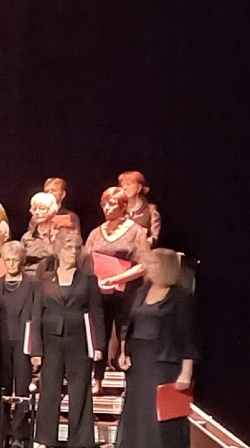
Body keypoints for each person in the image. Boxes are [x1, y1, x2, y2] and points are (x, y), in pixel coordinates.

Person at [29, 229, 105, 448]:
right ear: (58, 251)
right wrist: (36, 349)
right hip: (51, 341)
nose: (73, 252)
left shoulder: (88, 280)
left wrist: (99, 345)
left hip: (79, 341)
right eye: (68, 248)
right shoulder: (44, 280)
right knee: (49, 391)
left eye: (76, 248)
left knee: (80, 391)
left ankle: (80, 442)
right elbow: (36, 314)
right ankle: (45, 439)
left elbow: (97, 312)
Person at [117, 248, 196, 448]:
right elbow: (129, 323)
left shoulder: (181, 296)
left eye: (153, 263)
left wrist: (186, 373)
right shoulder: (141, 292)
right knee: (137, 411)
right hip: (139, 362)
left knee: (158, 415)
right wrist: (124, 351)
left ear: (166, 268)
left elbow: (187, 335)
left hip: (163, 363)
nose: (148, 267)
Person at [88, 186, 152, 373]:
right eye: (104, 204)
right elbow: (86, 260)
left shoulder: (136, 232)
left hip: (127, 292)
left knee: (125, 333)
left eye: (112, 204)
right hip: (101, 291)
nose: (107, 208)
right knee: (100, 333)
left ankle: (128, 375)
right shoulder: (96, 232)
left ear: (123, 206)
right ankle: (97, 378)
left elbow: (144, 265)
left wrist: (116, 278)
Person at [0, 241, 37, 447]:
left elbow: (36, 316)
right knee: (2, 388)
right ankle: (3, 433)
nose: (11, 263)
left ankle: (19, 434)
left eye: (15, 259)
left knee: (22, 388)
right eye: (7, 259)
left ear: (22, 260)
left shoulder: (33, 284)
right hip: (1, 343)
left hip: (24, 342)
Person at [118, 171, 161, 244]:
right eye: (122, 185)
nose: (124, 188)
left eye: (129, 184)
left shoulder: (150, 209)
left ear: (139, 187)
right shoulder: (117, 209)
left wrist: (149, 241)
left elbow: (154, 236)